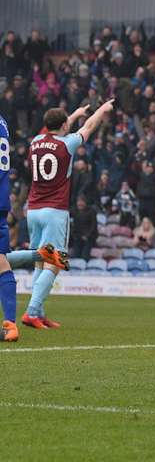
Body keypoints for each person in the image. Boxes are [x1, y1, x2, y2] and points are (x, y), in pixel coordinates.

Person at [22, 99, 114, 330]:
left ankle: (39, 312)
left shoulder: (35, 141)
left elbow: (56, 128)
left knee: (40, 262)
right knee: (55, 262)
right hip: (55, 211)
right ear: (64, 126)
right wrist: (102, 109)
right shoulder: (67, 144)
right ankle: (32, 311)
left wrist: (73, 114)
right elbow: (89, 127)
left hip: (33, 210)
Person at [0, 114, 69, 342]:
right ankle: (12, 324)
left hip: (37, 205)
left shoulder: (39, 140)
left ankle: (28, 313)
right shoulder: (3, 122)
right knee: (1, 260)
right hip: (3, 199)